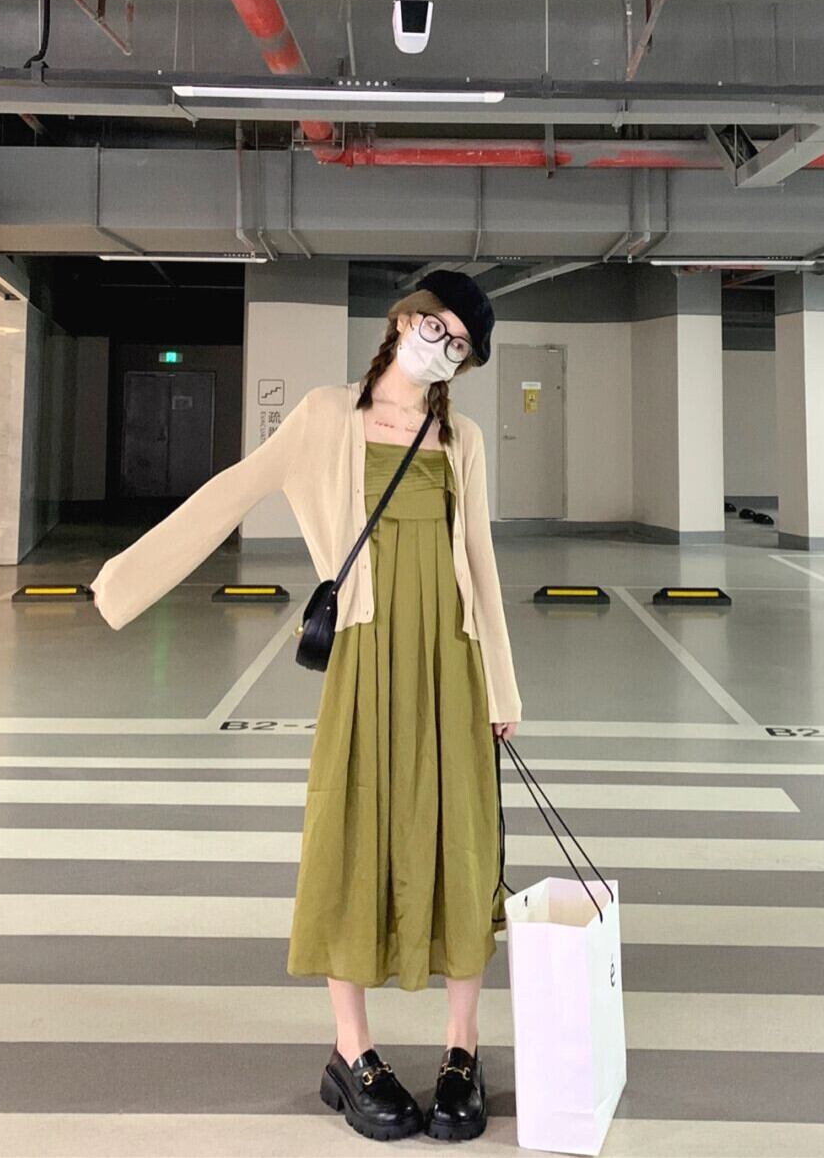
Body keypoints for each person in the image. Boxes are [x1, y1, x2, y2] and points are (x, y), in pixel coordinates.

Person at [89, 269, 521, 1145]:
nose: (443, 346)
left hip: (451, 658)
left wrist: (502, 686)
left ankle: (462, 1050)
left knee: (463, 842)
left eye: (460, 344)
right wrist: (123, 582)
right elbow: (231, 490)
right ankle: (352, 1053)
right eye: (436, 326)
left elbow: (479, 557)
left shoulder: (462, 436)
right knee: (350, 834)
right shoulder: (327, 415)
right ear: (403, 319)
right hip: (365, 654)